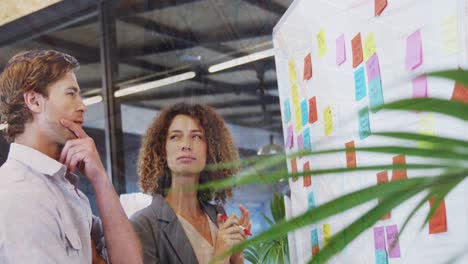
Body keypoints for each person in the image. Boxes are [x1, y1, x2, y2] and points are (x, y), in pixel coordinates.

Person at [0, 50, 143, 264]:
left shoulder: (63, 189)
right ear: (34, 101)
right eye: (71, 93)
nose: (82, 106)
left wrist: (101, 180)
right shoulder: (18, 193)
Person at [131, 103, 251, 264]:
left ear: (210, 150)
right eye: (175, 136)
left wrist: (237, 257)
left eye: (196, 136)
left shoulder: (217, 215)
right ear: (162, 150)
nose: (186, 145)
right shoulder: (143, 224)